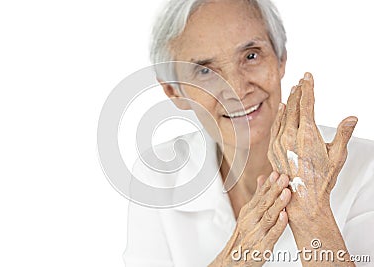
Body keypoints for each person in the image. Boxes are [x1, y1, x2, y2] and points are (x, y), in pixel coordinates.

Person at [123, 0, 374, 266]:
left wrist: (313, 217)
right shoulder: (158, 175)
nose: (237, 90)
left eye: (251, 56)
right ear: (174, 91)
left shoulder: (366, 168)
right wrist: (235, 259)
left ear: (280, 59)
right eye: (205, 71)